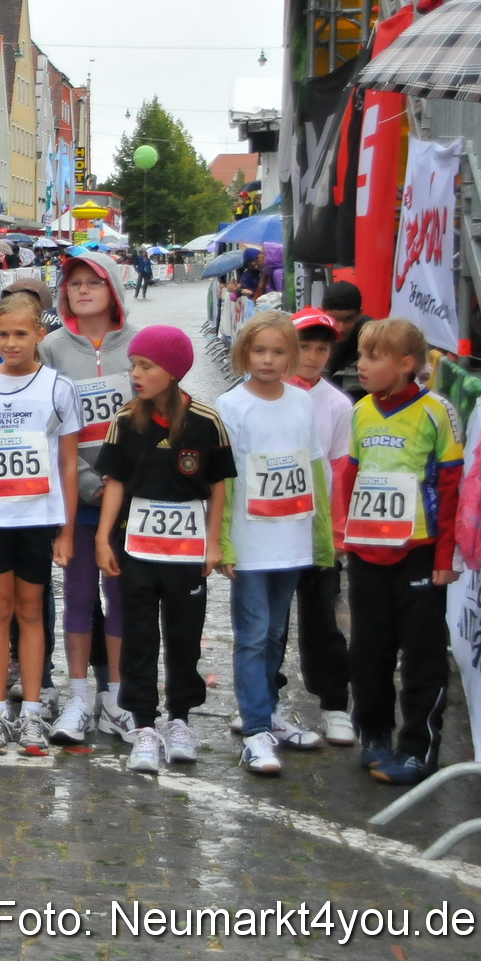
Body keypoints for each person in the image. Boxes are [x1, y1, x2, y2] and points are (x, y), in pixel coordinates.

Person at [94, 326, 234, 775]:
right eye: (133, 364)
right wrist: (101, 538)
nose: (135, 374)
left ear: (172, 373)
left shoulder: (207, 422)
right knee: (138, 636)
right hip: (136, 549)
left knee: (183, 636)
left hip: (186, 553)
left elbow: (217, 488)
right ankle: (144, 725)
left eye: (146, 366)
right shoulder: (124, 420)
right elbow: (114, 484)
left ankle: (180, 719)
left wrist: (214, 542)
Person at [334, 318, 463, 787]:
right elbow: (351, 474)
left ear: (407, 364)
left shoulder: (436, 411)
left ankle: (418, 747)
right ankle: (374, 732)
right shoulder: (362, 410)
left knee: (423, 655)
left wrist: (446, 556)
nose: (361, 365)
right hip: (369, 553)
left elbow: (451, 487)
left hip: (419, 553)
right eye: (361, 356)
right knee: (368, 649)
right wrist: (344, 531)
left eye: (373, 357)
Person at [0, 291, 81, 758]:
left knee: (31, 611)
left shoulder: (57, 388)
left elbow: (68, 465)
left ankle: (31, 710)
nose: (11, 343)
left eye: (21, 334)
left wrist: (66, 530)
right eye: (3, 334)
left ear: (39, 335)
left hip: (37, 517)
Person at [216, 311, 334, 776]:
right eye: (259, 350)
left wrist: (323, 536)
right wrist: (223, 542)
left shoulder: (301, 403)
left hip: (292, 537)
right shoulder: (232, 405)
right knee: (254, 633)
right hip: (250, 540)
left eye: (278, 351)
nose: (268, 360)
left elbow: (315, 468)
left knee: (277, 632)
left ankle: (267, 713)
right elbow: (222, 480)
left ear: (293, 355)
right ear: (245, 352)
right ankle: (255, 730)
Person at [38, 251, 137, 744]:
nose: (81, 291)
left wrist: (121, 483)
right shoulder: (53, 347)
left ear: (113, 288)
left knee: (119, 596)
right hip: (75, 497)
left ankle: (115, 695)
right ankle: (78, 695)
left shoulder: (137, 345)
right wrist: (84, 483)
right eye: (73, 283)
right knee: (77, 595)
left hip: (129, 500)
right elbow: (50, 427)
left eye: (91, 283)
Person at [282, 307, 356, 746]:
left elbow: (340, 470)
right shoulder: (262, 394)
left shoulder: (338, 403)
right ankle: (263, 700)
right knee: (267, 621)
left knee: (322, 619)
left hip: (318, 530)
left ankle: (333, 704)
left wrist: (337, 533)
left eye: (321, 348)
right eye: (304, 346)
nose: (312, 356)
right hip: (270, 527)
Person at [320, 280, 371, 401]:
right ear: (321, 312)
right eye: (333, 318)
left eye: (348, 319)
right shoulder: (308, 336)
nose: (340, 328)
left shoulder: (374, 341)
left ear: (359, 314)